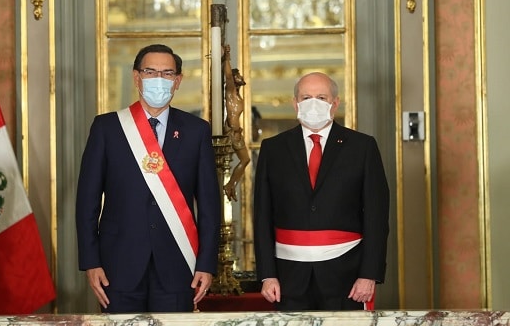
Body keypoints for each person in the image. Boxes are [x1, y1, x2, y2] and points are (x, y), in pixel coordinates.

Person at [76, 44, 221, 313]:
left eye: (167, 73)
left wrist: (206, 264)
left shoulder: (196, 131)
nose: (159, 79)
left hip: (179, 263)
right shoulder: (107, 128)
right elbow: (87, 202)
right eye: (150, 72)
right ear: (136, 77)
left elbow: (210, 206)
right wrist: (90, 261)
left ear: (178, 81)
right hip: (117, 264)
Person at [253, 72, 389, 311]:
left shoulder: (362, 147)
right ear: (295, 103)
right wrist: (267, 274)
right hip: (289, 277)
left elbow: (376, 217)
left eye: (321, 97)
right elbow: (262, 216)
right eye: (306, 97)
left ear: (335, 103)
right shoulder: (273, 149)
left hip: (346, 275)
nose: (313, 104)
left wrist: (369, 274)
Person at [222, 44, 250, 202]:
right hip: (233, 133)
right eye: (238, 75)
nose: (241, 76)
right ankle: (230, 185)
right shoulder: (231, 92)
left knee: (245, 159)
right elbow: (227, 76)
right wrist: (227, 57)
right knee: (245, 159)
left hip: (236, 131)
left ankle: (231, 184)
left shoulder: (237, 95)